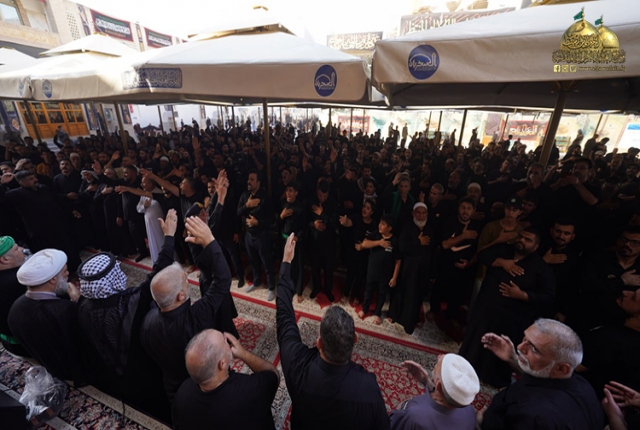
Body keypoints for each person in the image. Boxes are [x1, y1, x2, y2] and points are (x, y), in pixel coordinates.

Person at [276, 234, 389, 430]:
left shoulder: (297, 365)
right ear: (355, 339)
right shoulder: (368, 387)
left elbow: (284, 317)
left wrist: (286, 262)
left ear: (319, 342)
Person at [76, 209, 177, 421]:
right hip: (142, 368)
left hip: (112, 375)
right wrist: (169, 236)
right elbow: (158, 273)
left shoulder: (83, 305)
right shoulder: (131, 301)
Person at [141, 215, 236, 402]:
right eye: (184, 280)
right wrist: (210, 240)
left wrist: (168, 237)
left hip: (174, 390)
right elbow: (223, 280)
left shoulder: (148, 321)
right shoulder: (196, 317)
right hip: (204, 389)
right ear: (181, 296)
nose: (187, 277)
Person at [459, 228, 555, 388]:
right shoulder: (503, 250)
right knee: (474, 344)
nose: (522, 240)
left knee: (499, 351)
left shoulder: (540, 267)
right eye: (521, 236)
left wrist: (522, 295)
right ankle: (464, 368)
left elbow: (548, 296)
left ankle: (491, 379)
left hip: (511, 318)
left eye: (528, 239)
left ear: (536, 246)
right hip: (485, 310)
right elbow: (482, 255)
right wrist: (502, 262)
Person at [479, 319, 604, 429]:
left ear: (561, 368)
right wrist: (513, 359)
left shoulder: (536, 418)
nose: (520, 347)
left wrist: (478, 425)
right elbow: (540, 383)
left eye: (534, 349)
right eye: (524, 339)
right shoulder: (582, 385)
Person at [8, 248, 89, 385]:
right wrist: (78, 302)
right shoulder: (64, 310)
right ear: (53, 279)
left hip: (51, 365)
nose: (68, 274)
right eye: (65, 271)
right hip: (73, 368)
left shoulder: (16, 306)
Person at [172, 329, 279, 430]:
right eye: (225, 341)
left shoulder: (182, 395)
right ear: (222, 364)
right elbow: (273, 374)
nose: (228, 341)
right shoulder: (251, 390)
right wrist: (243, 354)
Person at [0, 170, 80, 271]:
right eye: (31, 179)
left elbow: (56, 200)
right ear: (21, 182)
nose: (35, 180)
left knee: (69, 250)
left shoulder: (43, 188)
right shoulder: (15, 194)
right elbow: (2, 200)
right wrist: (2, 184)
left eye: (34, 177)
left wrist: (71, 210)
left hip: (58, 226)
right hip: (40, 232)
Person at [390, 354, 480, 430]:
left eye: (439, 363)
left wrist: (401, 407)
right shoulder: (470, 413)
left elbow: (392, 424)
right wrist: (427, 382)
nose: (439, 356)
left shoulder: (414, 416)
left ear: (438, 385)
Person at [389, 203, 435, 334]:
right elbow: (402, 247)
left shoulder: (430, 230)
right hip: (408, 270)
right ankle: (399, 317)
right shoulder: (407, 227)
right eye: (418, 213)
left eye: (423, 213)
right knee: (405, 294)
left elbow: (432, 252)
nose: (421, 216)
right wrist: (418, 242)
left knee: (417, 297)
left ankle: (411, 321)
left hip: (422, 271)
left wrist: (432, 272)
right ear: (413, 214)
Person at [237, 170, 276, 300]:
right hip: (248, 235)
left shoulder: (265, 197)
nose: (249, 181)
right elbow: (238, 212)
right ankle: (257, 281)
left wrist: (257, 222)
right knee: (253, 261)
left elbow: (271, 220)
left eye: (252, 179)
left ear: (258, 182)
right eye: (248, 179)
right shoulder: (244, 195)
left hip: (262, 235)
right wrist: (247, 205)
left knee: (266, 262)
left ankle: (271, 287)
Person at [307, 179, 339, 302]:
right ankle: (317, 287)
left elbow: (334, 223)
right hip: (314, 241)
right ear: (317, 191)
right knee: (315, 267)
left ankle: (328, 290)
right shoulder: (311, 201)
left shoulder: (333, 203)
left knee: (328, 268)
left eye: (325, 196)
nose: (322, 198)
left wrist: (322, 213)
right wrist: (313, 224)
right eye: (320, 195)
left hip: (328, 243)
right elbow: (305, 220)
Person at [0, 236, 29, 356]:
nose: (22, 249)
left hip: (8, 341)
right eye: (16, 249)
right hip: (26, 344)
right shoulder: (19, 281)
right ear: (5, 259)